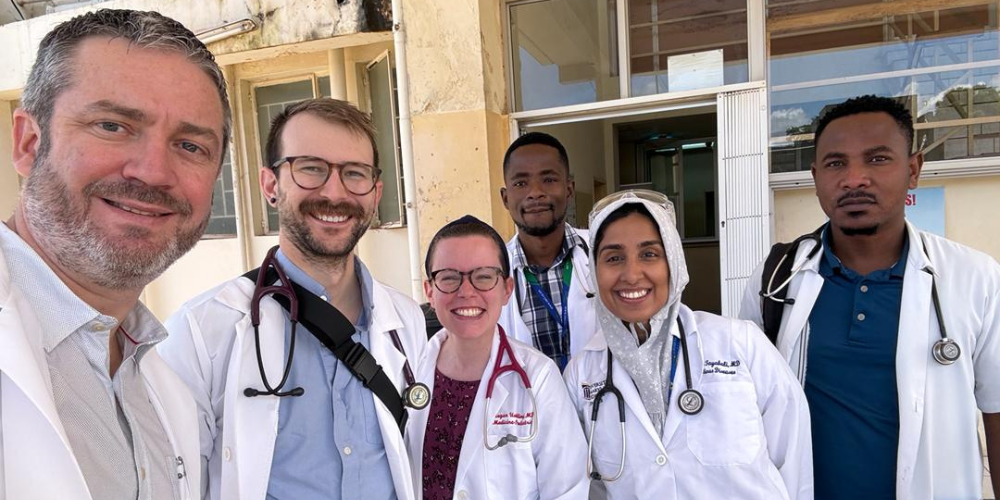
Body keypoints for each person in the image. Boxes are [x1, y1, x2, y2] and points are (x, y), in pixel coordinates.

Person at [0, 9, 229, 500]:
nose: (153, 172)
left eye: (190, 146)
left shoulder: (167, 394)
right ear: (29, 142)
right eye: (113, 125)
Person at [159, 98, 427, 500]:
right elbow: (174, 485)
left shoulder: (405, 322)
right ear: (271, 185)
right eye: (311, 169)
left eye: (355, 174)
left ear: (375, 193)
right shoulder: (203, 330)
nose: (334, 193)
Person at [739, 95, 1000, 499]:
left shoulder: (974, 278)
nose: (854, 179)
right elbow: (744, 409)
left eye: (877, 159)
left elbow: (997, 408)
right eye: (835, 163)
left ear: (913, 170)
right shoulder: (776, 278)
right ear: (815, 176)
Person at [565, 190, 813, 499]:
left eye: (649, 254)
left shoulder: (741, 344)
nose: (631, 274)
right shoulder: (582, 374)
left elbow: (794, 462)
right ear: (594, 270)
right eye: (613, 258)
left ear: (674, 263)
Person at [407, 215, 588, 500]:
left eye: (483, 277)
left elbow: (567, 490)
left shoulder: (538, 378)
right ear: (430, 290)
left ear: (506, 289)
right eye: (449, 278)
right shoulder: (407, 367)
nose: (466, 292)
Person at [498, 132, 597, 370]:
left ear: (569, 189)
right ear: (505, 197)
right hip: (531, 404)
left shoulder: (602, 253)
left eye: (549, 179)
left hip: (601, 402)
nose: (535, 192)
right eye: (521, 183)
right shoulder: (493, 271)